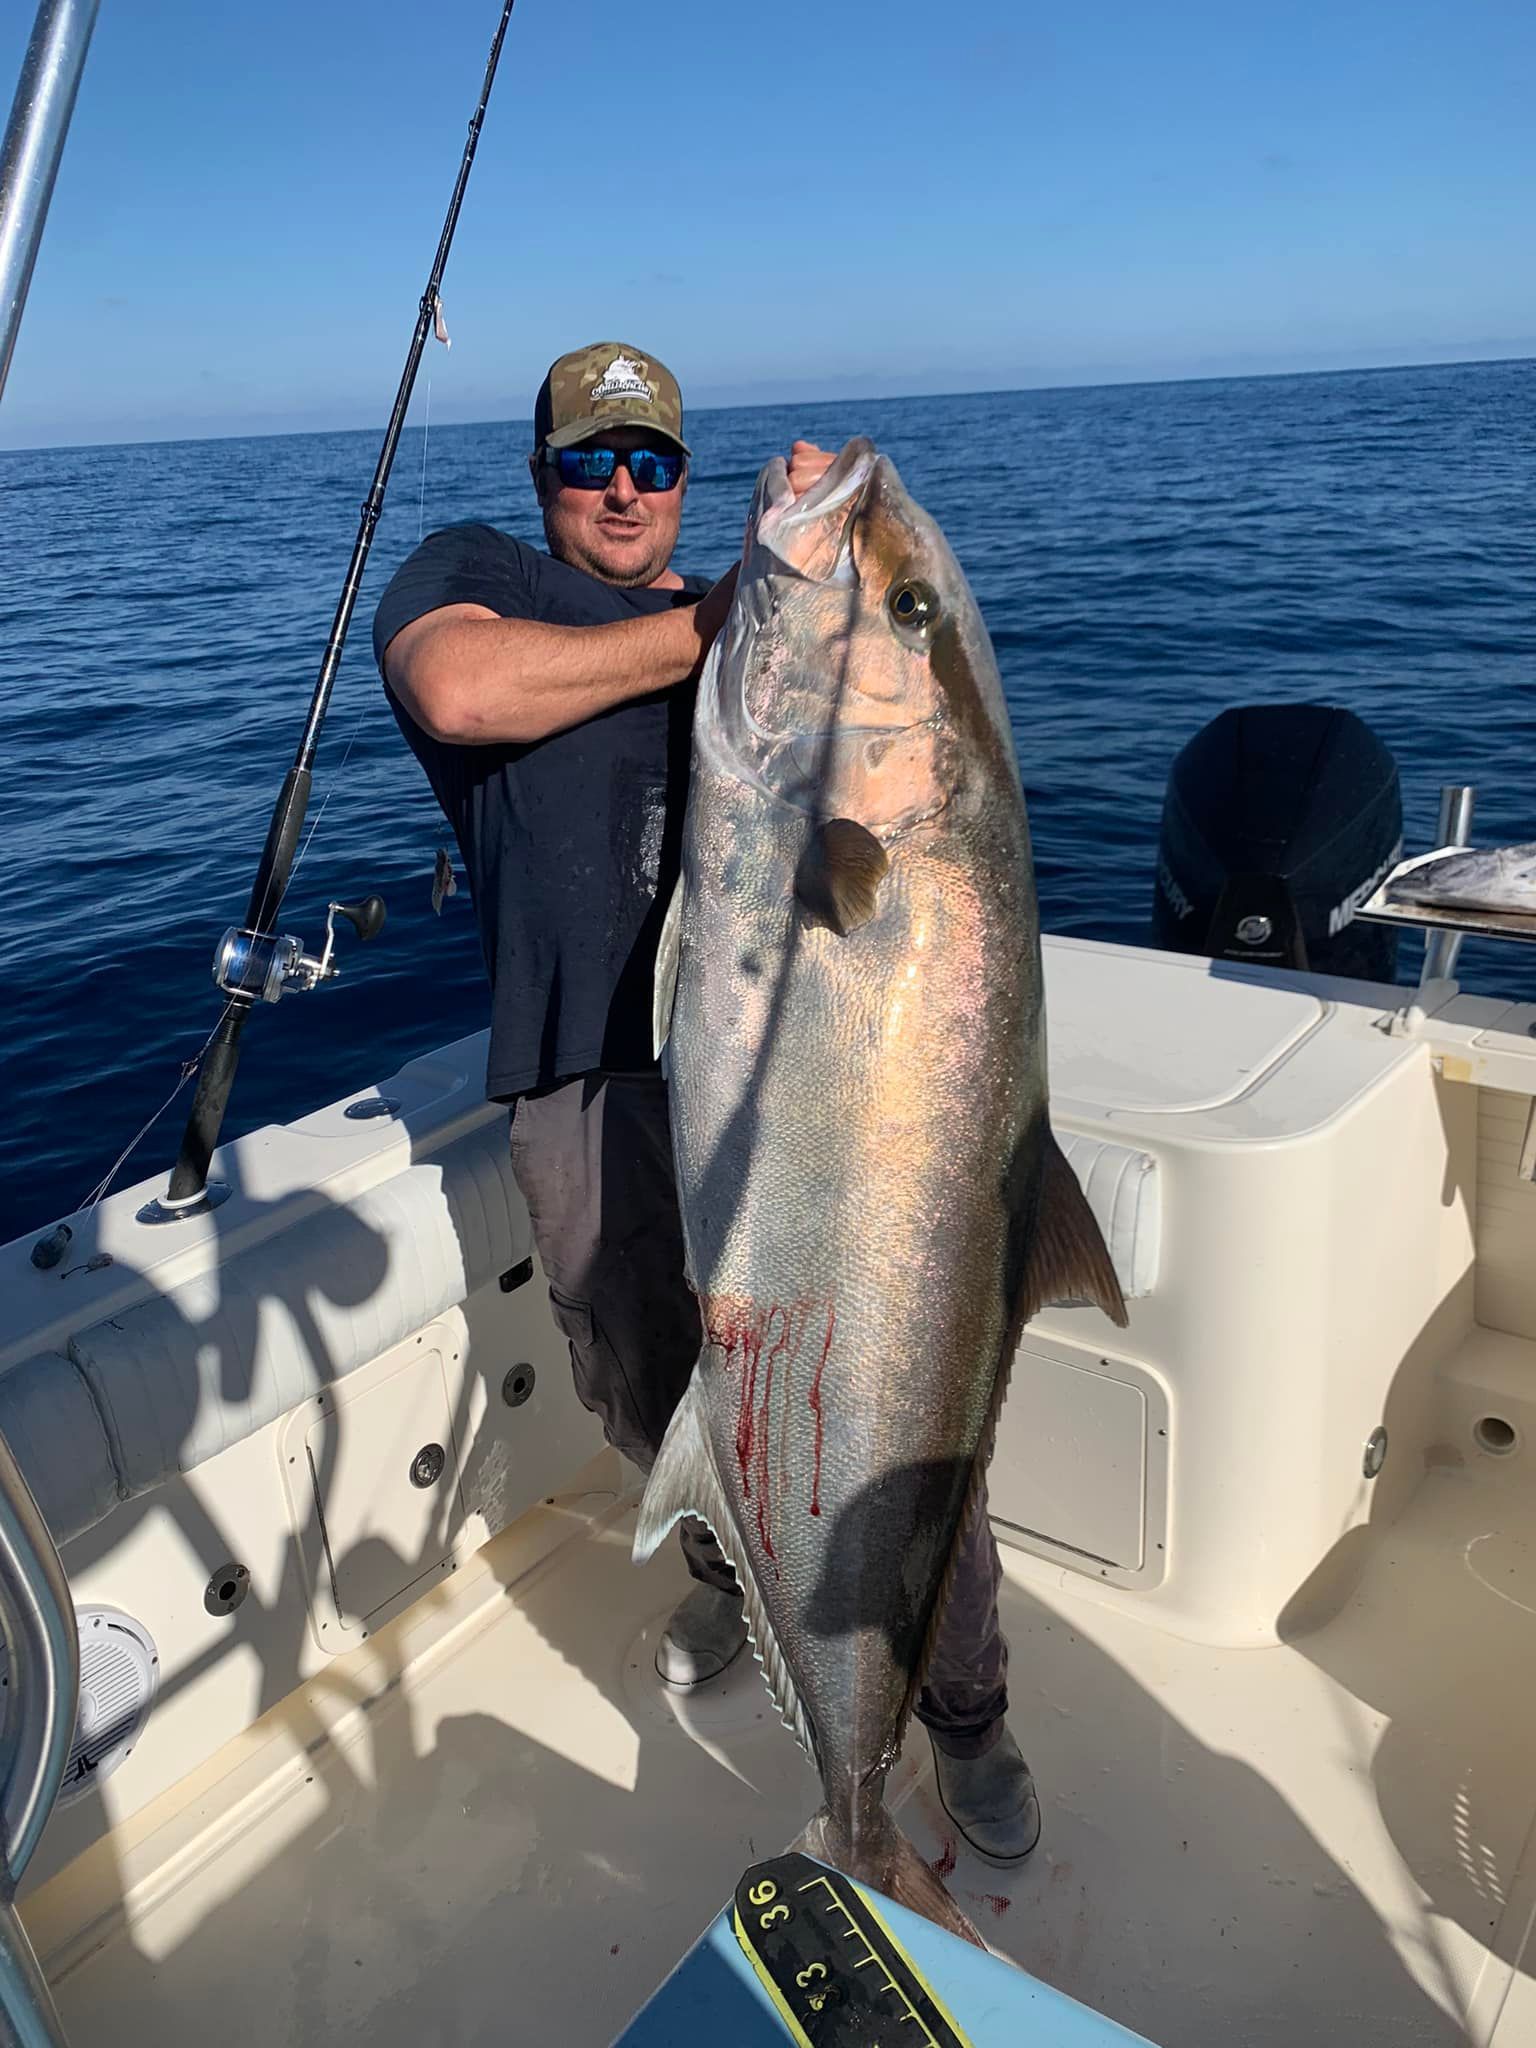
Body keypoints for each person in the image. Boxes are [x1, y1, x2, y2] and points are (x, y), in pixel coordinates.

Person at [372, 342, 1041, 1863]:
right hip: (587, 1073)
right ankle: (742, 1582)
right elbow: (458, 690)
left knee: (885, 1394)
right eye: (590, 461)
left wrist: (800, 623)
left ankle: (965, 1715)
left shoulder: (758, 635)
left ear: (684, 479)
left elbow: (880, 821)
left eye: (652, 463)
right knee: (654, 1384)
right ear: (540, 472)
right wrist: (721, 631)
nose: (622, 488)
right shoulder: (478, 577)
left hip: (791, 1092)